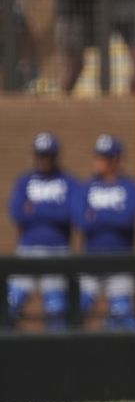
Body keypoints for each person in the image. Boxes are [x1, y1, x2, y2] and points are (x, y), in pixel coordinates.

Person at [7, 133, 79, 329]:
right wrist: (53, 209)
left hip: (58, 251)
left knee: (56, 309)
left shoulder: (68, 181)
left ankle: (58, 356)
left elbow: (71, 214)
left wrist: (36, 208)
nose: (43, 159)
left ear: (56, 156)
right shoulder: (24, 181)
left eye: (47, 155)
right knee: (10, 303)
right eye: (40, 155)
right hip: (28, 250)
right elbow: (16, 213)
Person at [73, 135, 135, 329]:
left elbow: (127, 219)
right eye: (97, 156)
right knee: (76, 311)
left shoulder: (130, 187)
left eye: (103, 158)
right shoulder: (85, 188)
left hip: (121, 262)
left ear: (117, 160)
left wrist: (97, 215)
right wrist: (112, 215)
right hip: (90, 261)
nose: (97, 161)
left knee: (123, 316)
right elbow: (81, 222)